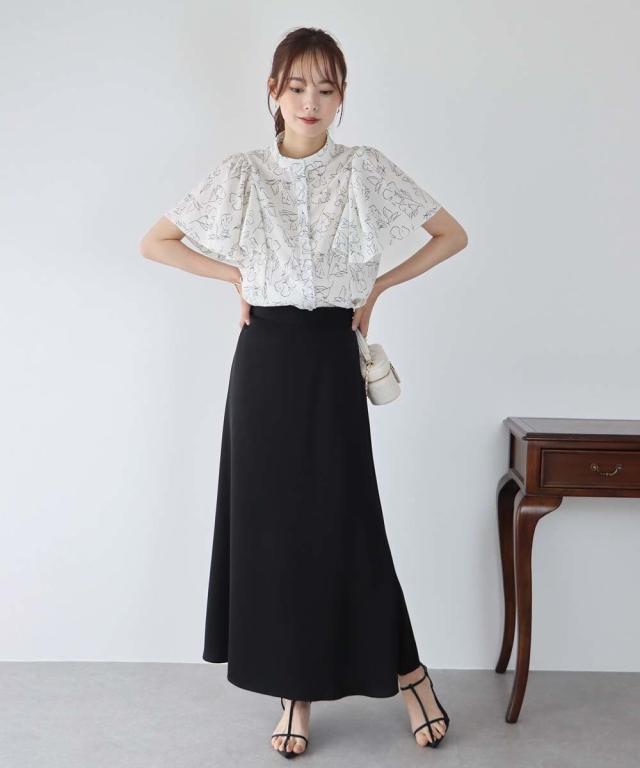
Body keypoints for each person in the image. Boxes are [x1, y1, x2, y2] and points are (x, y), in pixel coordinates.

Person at [140, 26, 468, 759]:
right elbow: (155, 241)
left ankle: (411, 674)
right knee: (276, 533)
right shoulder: (242, 174)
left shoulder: (363, 169)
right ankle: (295, 692)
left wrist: (377, 288)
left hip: (329, 360)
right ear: (273, 92)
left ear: (343, 96)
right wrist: (233, 275)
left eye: (326, 87)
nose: (310, 100)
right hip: (264, 362)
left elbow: (451, 235)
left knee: (350, 525)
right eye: (296, 86)